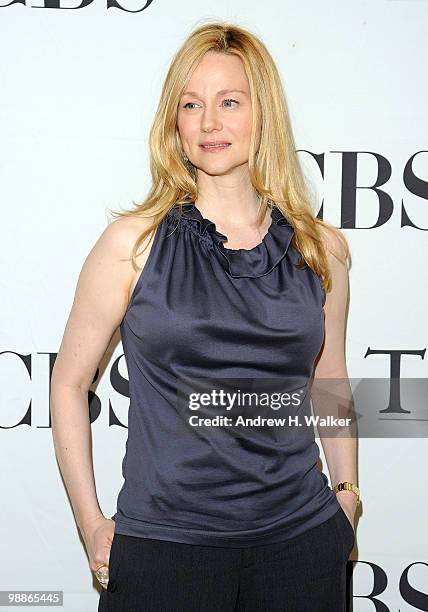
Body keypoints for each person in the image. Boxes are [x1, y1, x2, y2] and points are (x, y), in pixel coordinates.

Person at [50, 21, 360, 612]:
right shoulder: (131, 244)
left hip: (301, 547)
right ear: (175, 121)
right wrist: (91, 523)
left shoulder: (321, 250)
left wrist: (346, 495)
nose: (209, 122)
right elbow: (68, 383)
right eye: (191, 104)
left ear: (262, 113)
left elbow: (330, 381)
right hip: (165, 551)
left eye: (228, 102)